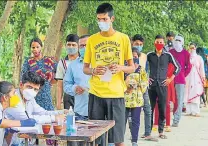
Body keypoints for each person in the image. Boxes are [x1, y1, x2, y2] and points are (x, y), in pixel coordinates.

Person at [83, 3, 135, 146]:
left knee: (118, 139)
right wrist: (94, 70)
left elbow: (132, 67)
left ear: (112, 19)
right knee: (95, 139)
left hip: (116, 94)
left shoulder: (123, 38)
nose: (101, 22)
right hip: (96, 93)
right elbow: (85, 68)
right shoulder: (92, 40)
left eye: (104, 19)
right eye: (99, 19)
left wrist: (120, 67)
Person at [5, 71, 67, 145]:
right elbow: (27, 118)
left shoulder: (30, 99)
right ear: (21, 85)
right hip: (11, 140)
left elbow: (43, 112)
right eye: (29, 87)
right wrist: (54, 118)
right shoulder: (13, 98)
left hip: (25, 139)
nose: (32, 91)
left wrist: (61, 112)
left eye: (36, 89)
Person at [147, 34, 180, 139]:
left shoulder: (168, 55)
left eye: (161, 42)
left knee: (162, 107)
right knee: (149, 108)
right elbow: (142, 67)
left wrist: (170, 79)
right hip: (151, 86)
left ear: (164, 43)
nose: (159, 44)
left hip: (163, 85)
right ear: (154, 43)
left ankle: (161, 131)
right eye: (157, 42)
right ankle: (148, 131)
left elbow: (177, 67)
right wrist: (146, 78)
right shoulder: (149, 55)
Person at [124, 48, 154, 146]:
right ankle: (120, 140)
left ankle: (134, 141)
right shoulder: (123, 68)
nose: (133, 58)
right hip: (124, 99)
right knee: (122, 121)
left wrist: (137, 85)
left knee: (136, 121)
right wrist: (126, 87)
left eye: (135, 56)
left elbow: (145, 82)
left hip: (137, 99)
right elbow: (119, 82)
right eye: (131, 56)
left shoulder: (141, 69)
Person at [21, 38, 58, 111]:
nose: (35, 49)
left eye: (37, 47)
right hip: (33, 94)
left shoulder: (49, 60)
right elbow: (23, 78)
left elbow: (59, 72)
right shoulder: (28, 62)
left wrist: (52, 82)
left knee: (49, 116)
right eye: (33, 47)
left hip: (46, 94)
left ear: (41, 47)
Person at [131, 34, 156, 141]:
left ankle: (147, 133)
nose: (139, 46)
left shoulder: (144, 56)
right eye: (137, 44)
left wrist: (146, 81)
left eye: (141, 44)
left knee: (147, 109)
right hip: (129, 87)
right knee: (129, 112)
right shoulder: (127, 54)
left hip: (142, 87)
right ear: (132, 43)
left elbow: (146, 70)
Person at [64, 34, 90, 119]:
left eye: (87, 45)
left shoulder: (101, 64)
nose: (85, 48)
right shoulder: (73, 65)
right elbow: (66, 85)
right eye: (82, 46)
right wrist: (74, 88)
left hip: (99, 112)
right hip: (81, 112)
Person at [169, 34, 192, 127]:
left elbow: (189, 66)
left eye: (179, 41)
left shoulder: (186, 53)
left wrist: (183, 74)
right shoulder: (170, 52)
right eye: (176, 40)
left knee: (179, 99)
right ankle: (165, 119)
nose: (177, 42)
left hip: (180, 80)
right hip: (170, 79)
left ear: (182, 42)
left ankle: (176, 119)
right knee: (169, 99)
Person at [56, 34, 80, 110]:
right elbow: (59, 85)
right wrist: (58, 104)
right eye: (69, 45)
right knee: (69, 119)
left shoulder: (84, 61)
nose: (71, 47)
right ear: (65, 46)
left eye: (73, 45)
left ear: (78, 46)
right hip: (68, 97)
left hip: (83, 95)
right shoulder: (62, 63)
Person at [153, 62, 176, 132]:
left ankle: (168, 124)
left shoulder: (171, 60)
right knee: (157, 103)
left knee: (167, 104)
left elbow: (177, 68)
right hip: (157, 82)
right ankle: (156, 123)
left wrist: (170, 78)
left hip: (167, 83)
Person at [184, 43, 205, 116]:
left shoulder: (199, 58)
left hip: (196, 78)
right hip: (188, 77)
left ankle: (196, 111)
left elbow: (201, 68)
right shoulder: (187, 57)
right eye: (190, 48)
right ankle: (189, 111)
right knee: (187, 93)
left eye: (193, 48)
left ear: (196, 48)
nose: (192, 49)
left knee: (195, 93)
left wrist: (203, 77)